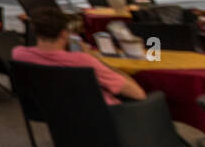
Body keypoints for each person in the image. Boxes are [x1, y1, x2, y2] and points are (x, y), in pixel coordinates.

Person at [12, 6, 145, 105]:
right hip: (101, 113)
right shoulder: (83, 60)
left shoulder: (19, 54)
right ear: (64, 34)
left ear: (35, 32)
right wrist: (94, 58)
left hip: (51, 109)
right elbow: (138, 94)